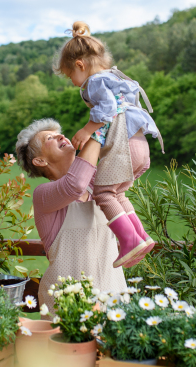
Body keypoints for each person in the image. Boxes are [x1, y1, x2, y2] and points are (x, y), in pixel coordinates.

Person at [53, 21, 164, 269]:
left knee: (103, 193)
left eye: (71, 75)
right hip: (140, 147)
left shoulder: (94, 82)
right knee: (117, 193)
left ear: (80, 65)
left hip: (123, 148)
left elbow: (108, 109)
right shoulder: (115, 79)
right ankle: (140, 237)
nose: (73, 82)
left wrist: (87, 129)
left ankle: (128, 242)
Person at [15, 118, 127, 316]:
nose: (61, 135)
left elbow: (125, 172)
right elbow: (74, 186)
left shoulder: (98, 186)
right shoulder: (43, 195)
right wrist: (98, 128)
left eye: (60, 133)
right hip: (67, 306)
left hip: (113, 298)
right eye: (49, 138)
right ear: (40, 161)